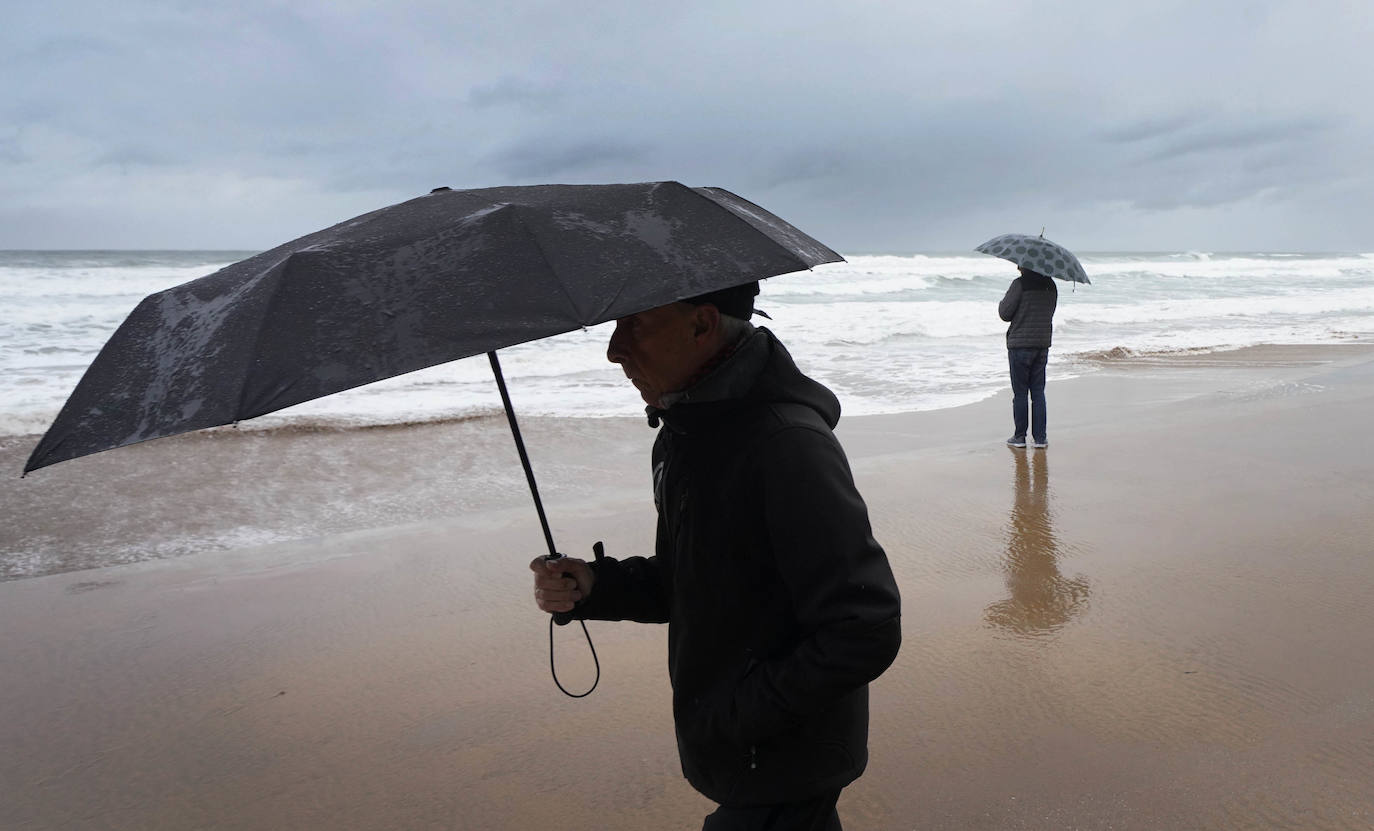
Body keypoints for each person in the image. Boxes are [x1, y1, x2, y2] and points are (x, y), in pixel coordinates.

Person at [530, 281, 902, 830]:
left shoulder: (787, 444)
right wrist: (596, 586)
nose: (614, 350)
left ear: (701, 325)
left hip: (785, 763)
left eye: (634, 324)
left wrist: (736, 715)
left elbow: (865, 626)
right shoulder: (685, 433)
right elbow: (690, 577)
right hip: (742, 755)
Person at [998, 267, 1058, 449]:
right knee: (1038, 393)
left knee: (1020, 393)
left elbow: (1005, 313)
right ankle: (1040, 438)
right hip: (1041, 344)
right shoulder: (1051, 285)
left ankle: (1019, 437)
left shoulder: (1020, 284)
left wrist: (1003, 302)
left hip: (1020, 345)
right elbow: (1049, 312)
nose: (1017, 266)